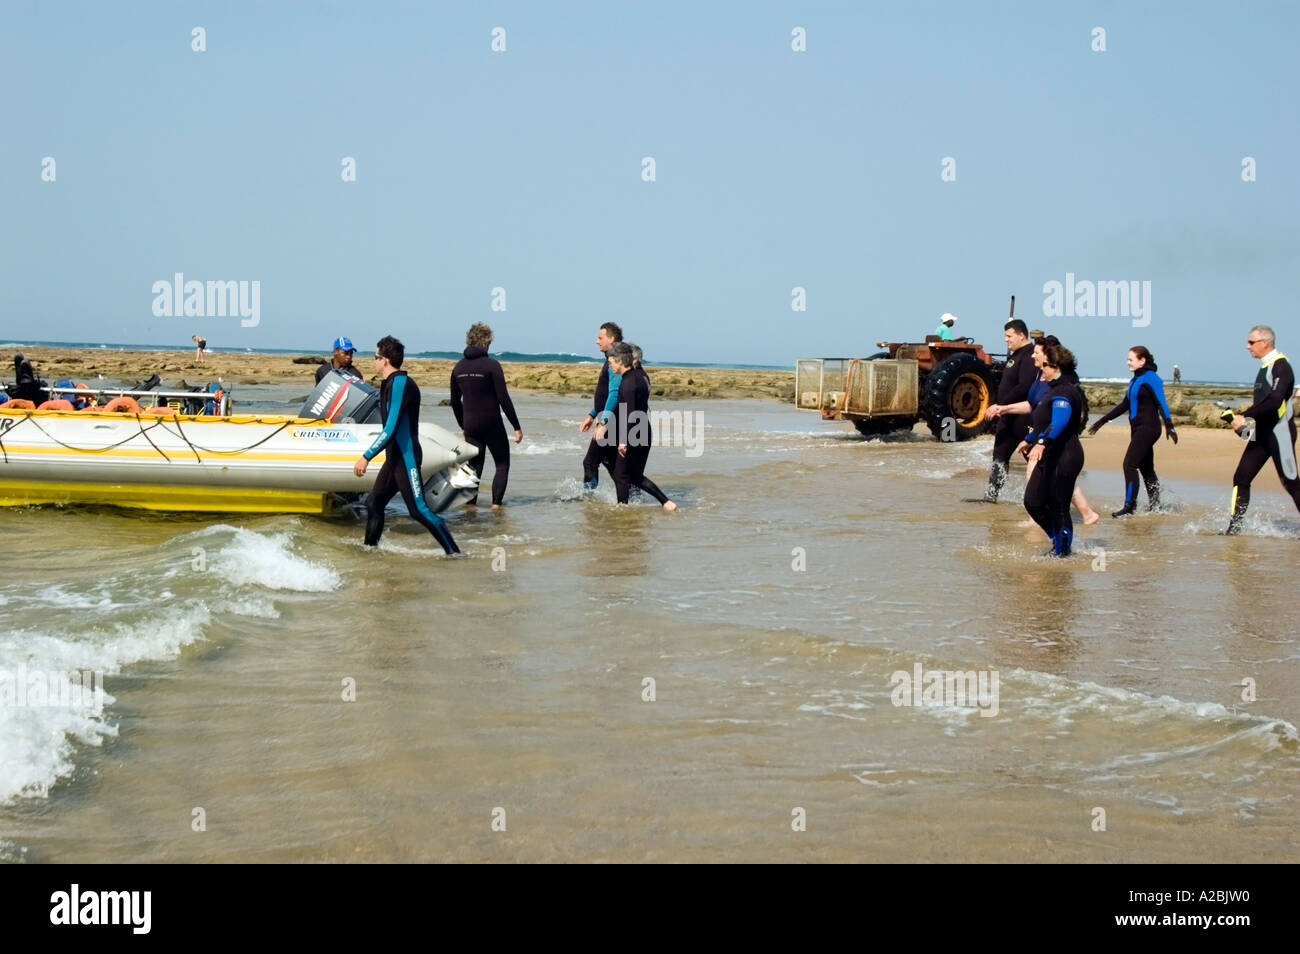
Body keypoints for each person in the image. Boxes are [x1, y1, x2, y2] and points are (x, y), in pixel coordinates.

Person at [352, 336, 460, 555]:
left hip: (406, 457)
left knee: (418, 510)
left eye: (375, 357)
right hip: (394, 458)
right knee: (374, 503)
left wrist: (366, 456)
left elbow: (390, 428)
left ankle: (455, 553)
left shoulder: (400, 383)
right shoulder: (390, 384)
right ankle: (370, 552)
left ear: (385, 360)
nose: (374, 361)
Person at [988, 334, 1099, 525]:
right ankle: (1086, 513)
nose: (1033, 356)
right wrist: (1004, 409)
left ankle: (1037, 520)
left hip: (1052, 438)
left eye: (1036, 352)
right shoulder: (1041, 375)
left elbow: (1061, 415)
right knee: (1054, 477)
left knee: (1036, 474)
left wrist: (1040, 441)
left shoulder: (1061, 382)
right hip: (1039, 433)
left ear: (1049, 356)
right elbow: (1033, 404)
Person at [1225, 325, 1300, 534]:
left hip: (1280, 433)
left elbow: (1275, 402)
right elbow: (1263, 407)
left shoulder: (1281, 366)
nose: (1247, 346)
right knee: (1241, 478)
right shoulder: (1265, 366)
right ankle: (1234, 529)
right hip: (1262, 434)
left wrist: (1245, 415)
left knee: (1291, 483)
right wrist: (1242, 427)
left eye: (1251, 342)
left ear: (1264, 343)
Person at [1086, 346, 1177, 517]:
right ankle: (1156, 506)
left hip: (1149, 428)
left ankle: (1130, 506)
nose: (1127, 362)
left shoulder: (1152, 378)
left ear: (1142, 360)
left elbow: (1161, 403)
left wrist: (1169, 425)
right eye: (1127, 359)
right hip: (1137, 429)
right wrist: (1102, 421)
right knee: (1146, 468)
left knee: (1129, 464)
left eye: (1131, 359)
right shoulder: (1135, 380)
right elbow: (1124, 405)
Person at [1017, 345, 1087, 556]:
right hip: (1050, 453)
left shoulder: (1066, 391)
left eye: (1045, 365)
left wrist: (1042, 442)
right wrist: (1029, 439)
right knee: (1033, 502)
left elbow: (1060, 421)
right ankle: (1057, 541)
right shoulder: (1053, 389)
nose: (1042, 369)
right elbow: (1043, 420)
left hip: (1065, 455)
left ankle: (1062, 553)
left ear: (1057, 366)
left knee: (1059, 507)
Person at [450, 323, 523, 508]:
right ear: (486, 342)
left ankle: (470, 507)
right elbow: (503, 398)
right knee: (502, 464)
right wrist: (516, 426)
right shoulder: (492, 365)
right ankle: (496, 506)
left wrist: (463, 426)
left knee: (474, 467)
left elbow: (454, 401)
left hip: (471, 424)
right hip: (492, 423)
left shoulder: (458, 368)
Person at [596, 344, 676, 509]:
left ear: (621, 361)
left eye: (611, 362)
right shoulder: (641, 376)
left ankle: (623, 509)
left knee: (621, 475)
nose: (609, 366)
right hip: (642, 430)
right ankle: (665, 503)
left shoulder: (628, 383)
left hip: (634, 432)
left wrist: (624, 440)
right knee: (633, 476)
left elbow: (630, 413)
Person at [979, 319, 1038, 501]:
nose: (1006, 339)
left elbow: (1024, 386)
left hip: (1022, 416)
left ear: (1021, 335)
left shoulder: (1029, 354)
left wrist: (1002, 404)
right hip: (1006, 416)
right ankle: (991, 496)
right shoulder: (1014, 355)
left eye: (1009, 336)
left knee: (1032, 457)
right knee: (1000, 456)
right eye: (1005, 336)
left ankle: (1042, 495)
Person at [578, 322, 623, 488]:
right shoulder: (612, 358)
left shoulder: (615, 360)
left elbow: (615, 392)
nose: (597, 341)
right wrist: (591, 414)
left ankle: (588, 501)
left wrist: (603, 422)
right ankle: (630, 493)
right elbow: (604, 394)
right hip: (609, 417)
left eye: (600, 337)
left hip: (610, 419)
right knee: (608, 460)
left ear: (611, 339)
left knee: (590, 462)